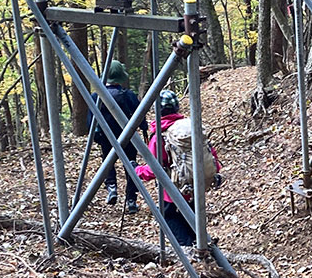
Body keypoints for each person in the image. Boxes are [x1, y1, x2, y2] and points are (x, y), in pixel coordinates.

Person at [135, 89, 222, 247]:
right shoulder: (191, 127)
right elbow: (211, 152)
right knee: (192, 222)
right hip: (195, 185)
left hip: (173, 191)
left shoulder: (159, 136)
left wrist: (137, 171)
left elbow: (155, 168)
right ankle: (203, 252)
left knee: (169, 219)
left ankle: (189, 255)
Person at [88, 61, 147, 213]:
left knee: (108, 163)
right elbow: (139, 114)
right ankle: (131, 200)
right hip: (128, 137)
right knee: (131, 165)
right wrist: (145, 128)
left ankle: (111, 188)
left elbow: (90, 121)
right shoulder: (128, 95)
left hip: (107, 137)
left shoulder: (96, 96)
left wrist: (96, 136)